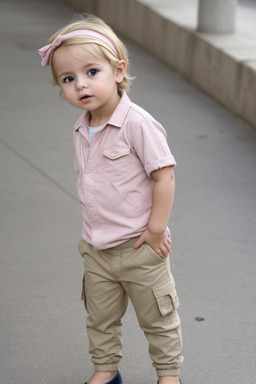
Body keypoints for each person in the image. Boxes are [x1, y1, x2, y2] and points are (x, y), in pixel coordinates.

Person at [38, 14, 183, 384]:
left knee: (158, 318)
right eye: (68, 79)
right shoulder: (82, 126)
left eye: (91, 72)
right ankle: (105, 370)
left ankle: (169, 375)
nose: (80, 85)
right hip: (96, 248)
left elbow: (164, 176)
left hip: (138, 247)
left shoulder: (137, 123)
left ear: (118, 71)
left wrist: (156, 230)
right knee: (99, 318)